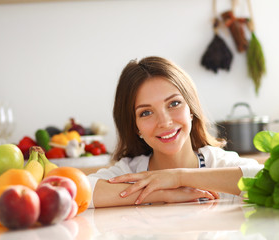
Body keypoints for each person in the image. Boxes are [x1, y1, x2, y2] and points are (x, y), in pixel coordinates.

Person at [88, 56, 263, 208]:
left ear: (191, 109)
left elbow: (268, 179)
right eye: (146, 112)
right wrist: (161, 193)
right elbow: (76, 191)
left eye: (174, 104)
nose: (165, 122)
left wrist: (179, 177)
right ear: (135, 126)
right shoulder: (129, 172)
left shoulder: (220, 164)